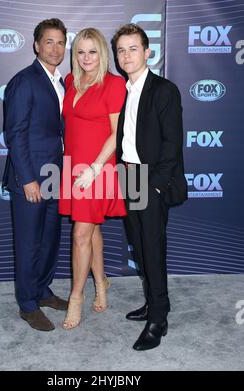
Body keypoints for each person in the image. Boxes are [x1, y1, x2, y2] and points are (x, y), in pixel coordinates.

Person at [112, 24, 188, 350]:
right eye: (121, 50)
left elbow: (172, 144)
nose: (127, 55)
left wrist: (154, 186)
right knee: (140, 248)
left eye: (133, 48)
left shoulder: (163, 90)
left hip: (148, 180)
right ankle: (152, 302)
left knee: (153, 250)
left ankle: (159, 319)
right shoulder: (123, 89)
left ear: (147, 52)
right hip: (128, 175)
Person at [3, 19, 68, 331]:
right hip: (30, 177)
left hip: (55, 175)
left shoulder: (62, 82)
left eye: (60, 42)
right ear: (36, 45)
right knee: (29, 243)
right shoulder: (24, 81)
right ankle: (27, 304)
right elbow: (15, 134)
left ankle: (42, 291)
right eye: (49, 42)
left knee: (49, 240)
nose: (55, 48)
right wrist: (28, 179)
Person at [59, 28, 126, 330]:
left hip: (96, 170)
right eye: (81, 52)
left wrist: (95, 168)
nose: (86, 58)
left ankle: (76, 297)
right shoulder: (72, 81)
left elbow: (117, 134)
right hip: (73, 167)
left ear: (103, 53)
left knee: (80, 235)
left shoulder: (114, 84)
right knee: (91, 229)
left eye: (93, 51)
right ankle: (101, 282)